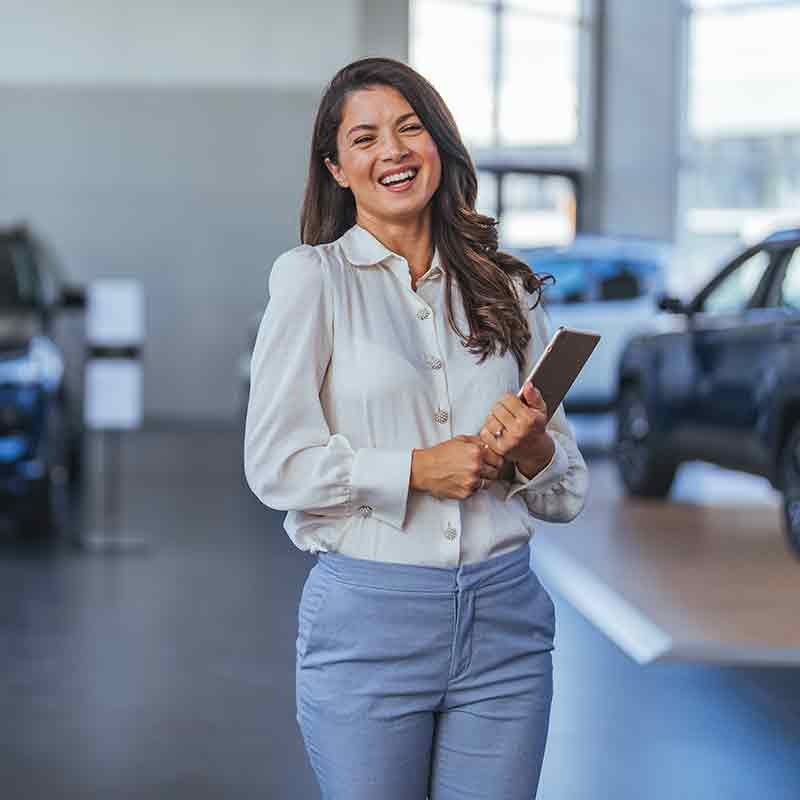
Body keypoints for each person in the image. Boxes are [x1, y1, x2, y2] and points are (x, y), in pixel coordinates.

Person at [244, 57, 588, 800]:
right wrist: (413, 470)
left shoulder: (509, 290)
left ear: (440, 144)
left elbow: (567, 492)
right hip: (370, 624)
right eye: (365, 138)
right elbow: (275, 464)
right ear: (337, 168)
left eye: (410, 128)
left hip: (507, 624)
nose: (393, 151)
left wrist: (534, 451)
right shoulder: (313, 279)